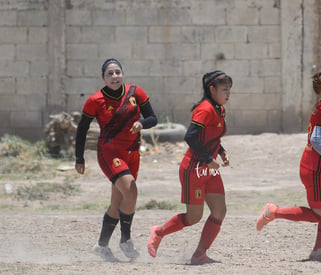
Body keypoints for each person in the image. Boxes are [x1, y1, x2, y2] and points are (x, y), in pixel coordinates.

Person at [256, 72, 321, 262]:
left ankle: (318, 251)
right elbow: (316, 140)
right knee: (318, 214)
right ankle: (273, 212)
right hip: (316, 170)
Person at [75, 58, 158, 260]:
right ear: (103, 77)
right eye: (110, 73)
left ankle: (101, 246)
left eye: (117, 72)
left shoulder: (135, 93)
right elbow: (82, 129)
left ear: (122, 74)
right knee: (131, 192)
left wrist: (141, 123)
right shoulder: (95, 100)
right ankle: (125, 241)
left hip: (132, 153)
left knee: (118, 202)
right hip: (109, 153)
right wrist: (79, 158)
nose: (114, 76)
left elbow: (153, 118)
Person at [147, 70, 232, 265]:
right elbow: (190, 137)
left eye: (229, 90)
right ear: (212, 89)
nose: (228, 93)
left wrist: (221, 151)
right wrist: (207, 158)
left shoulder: (219, 109)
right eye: (224, 89)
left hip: (208, 169)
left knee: (220, 210)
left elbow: (210, 137)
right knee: (194, 217)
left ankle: (199, 255)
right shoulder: (205, 109)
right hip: (194, 169)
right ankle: (158, 232)